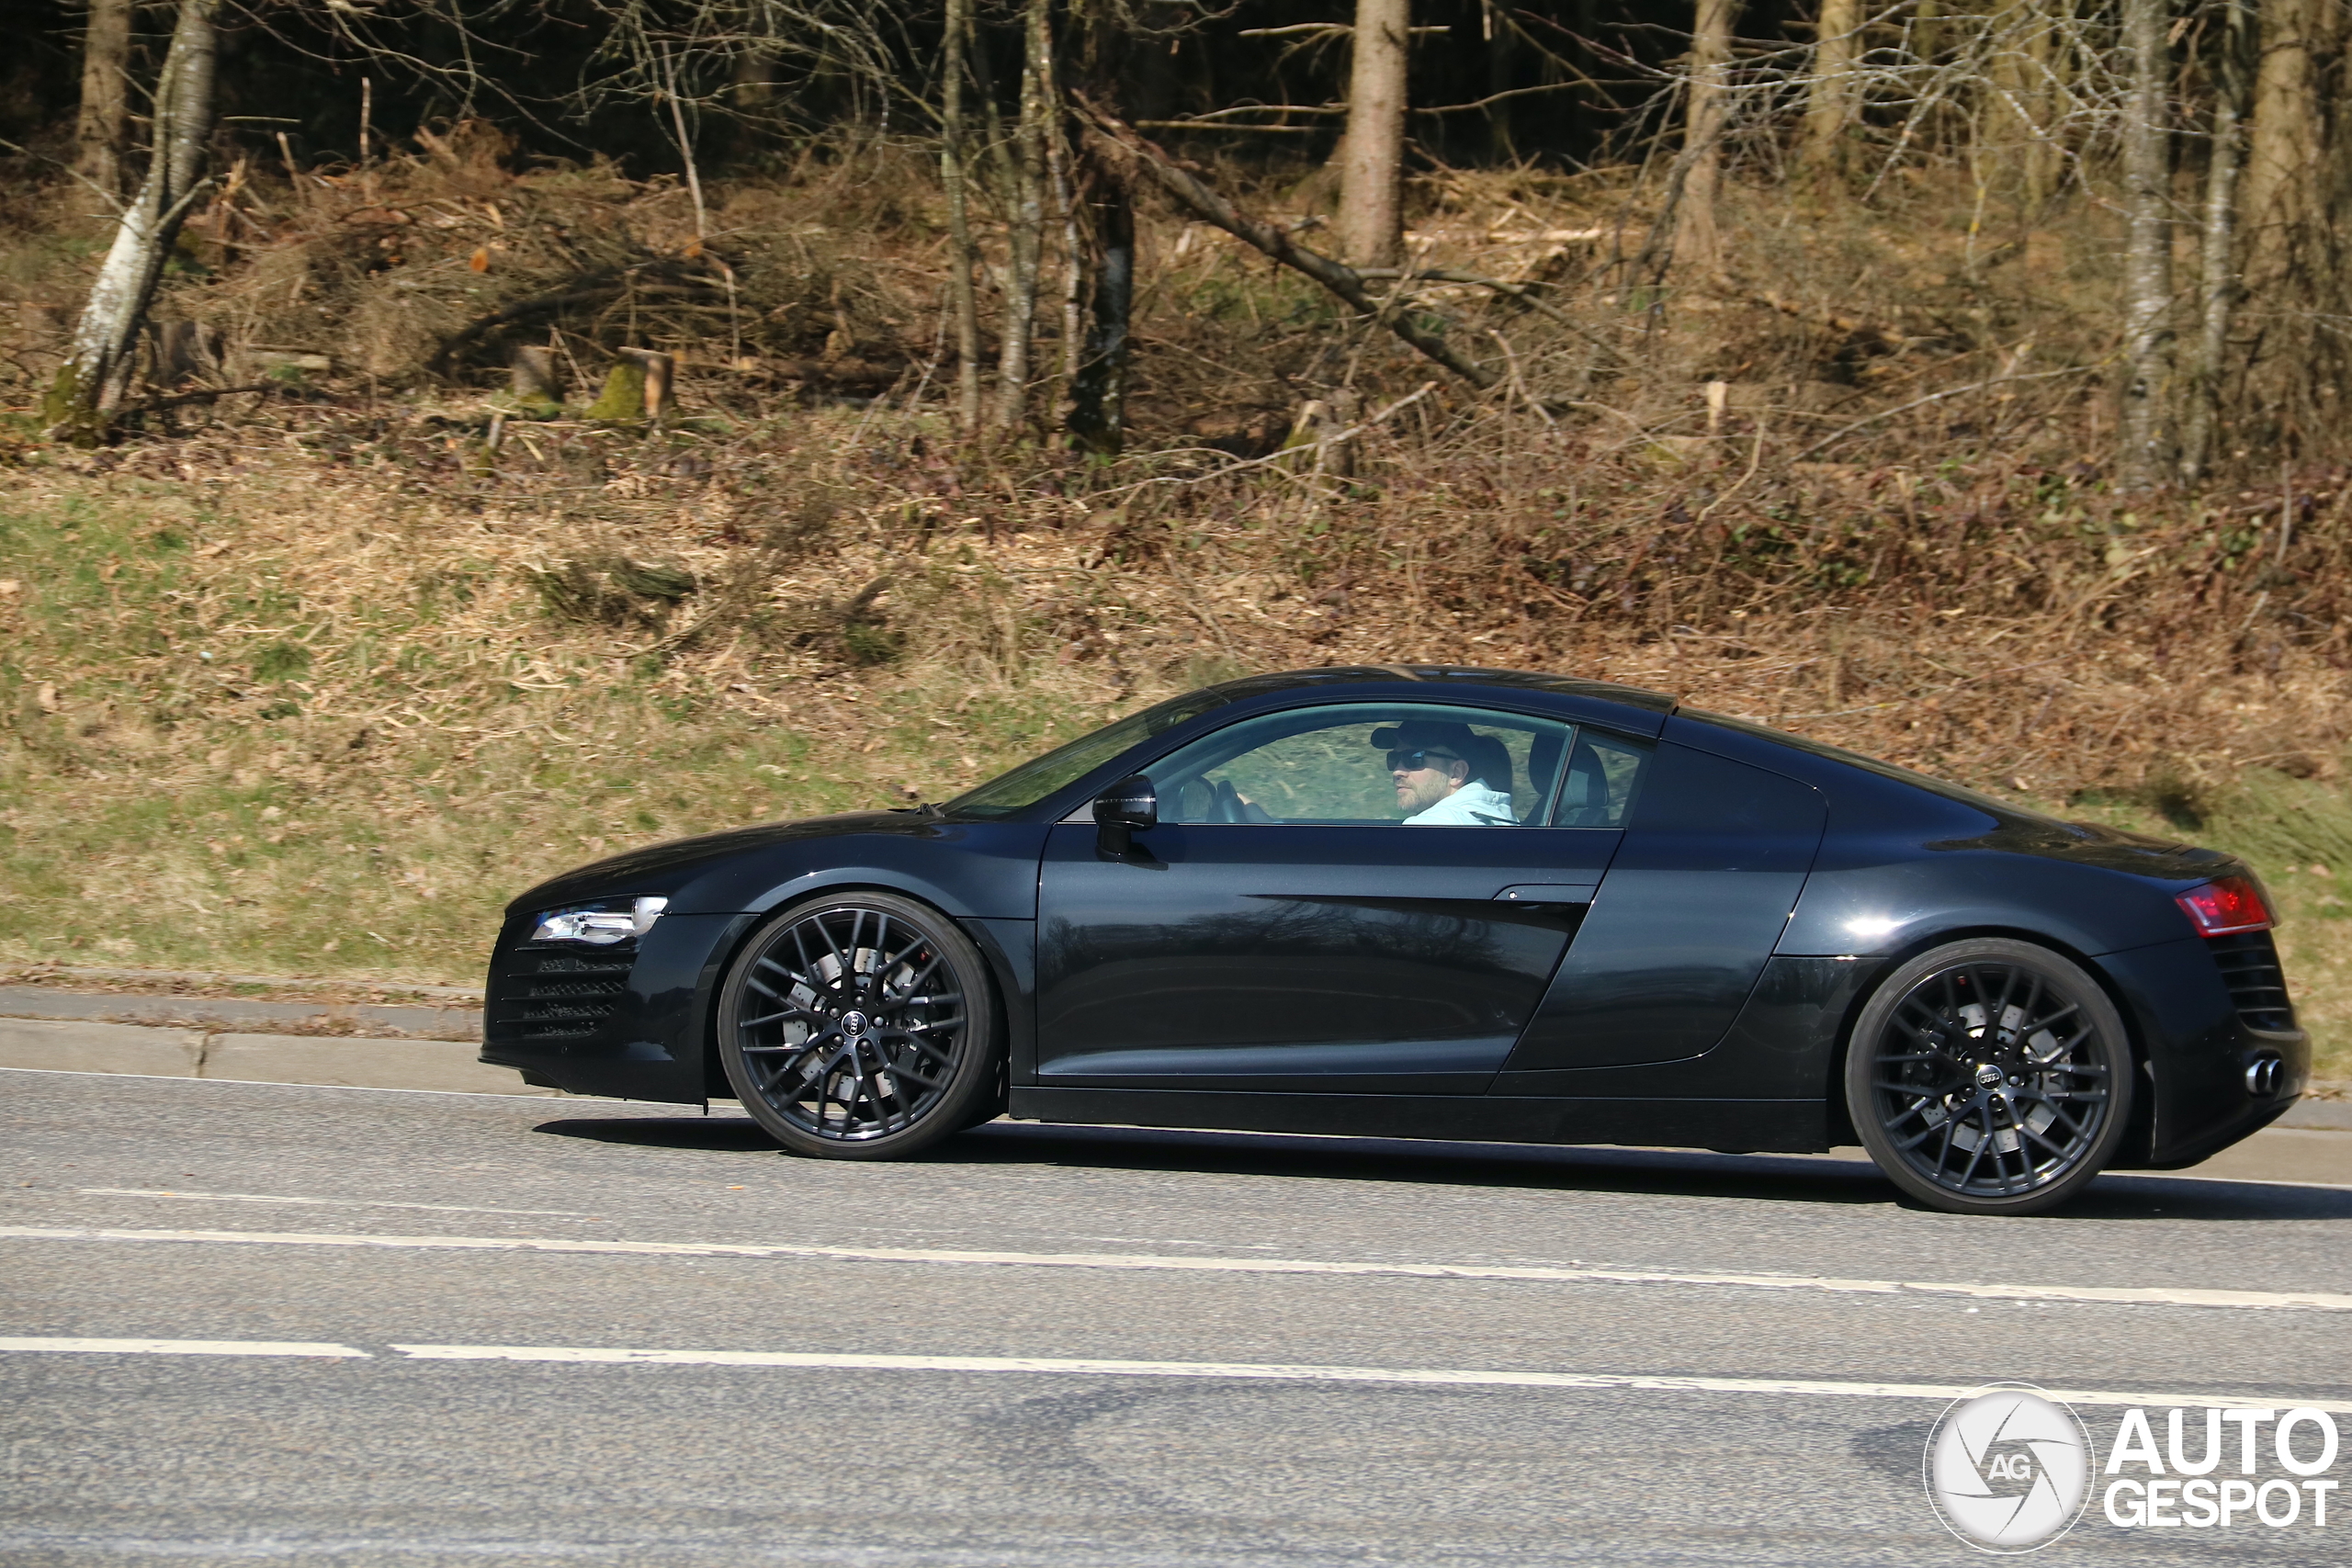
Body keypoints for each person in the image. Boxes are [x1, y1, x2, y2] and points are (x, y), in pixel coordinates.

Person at [1374, 720, 1518, 826]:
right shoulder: (1502, 819)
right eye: (1393, 759)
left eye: (1414, 759)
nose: (1397, 771)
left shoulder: (1427, 827)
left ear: (1456, 773)